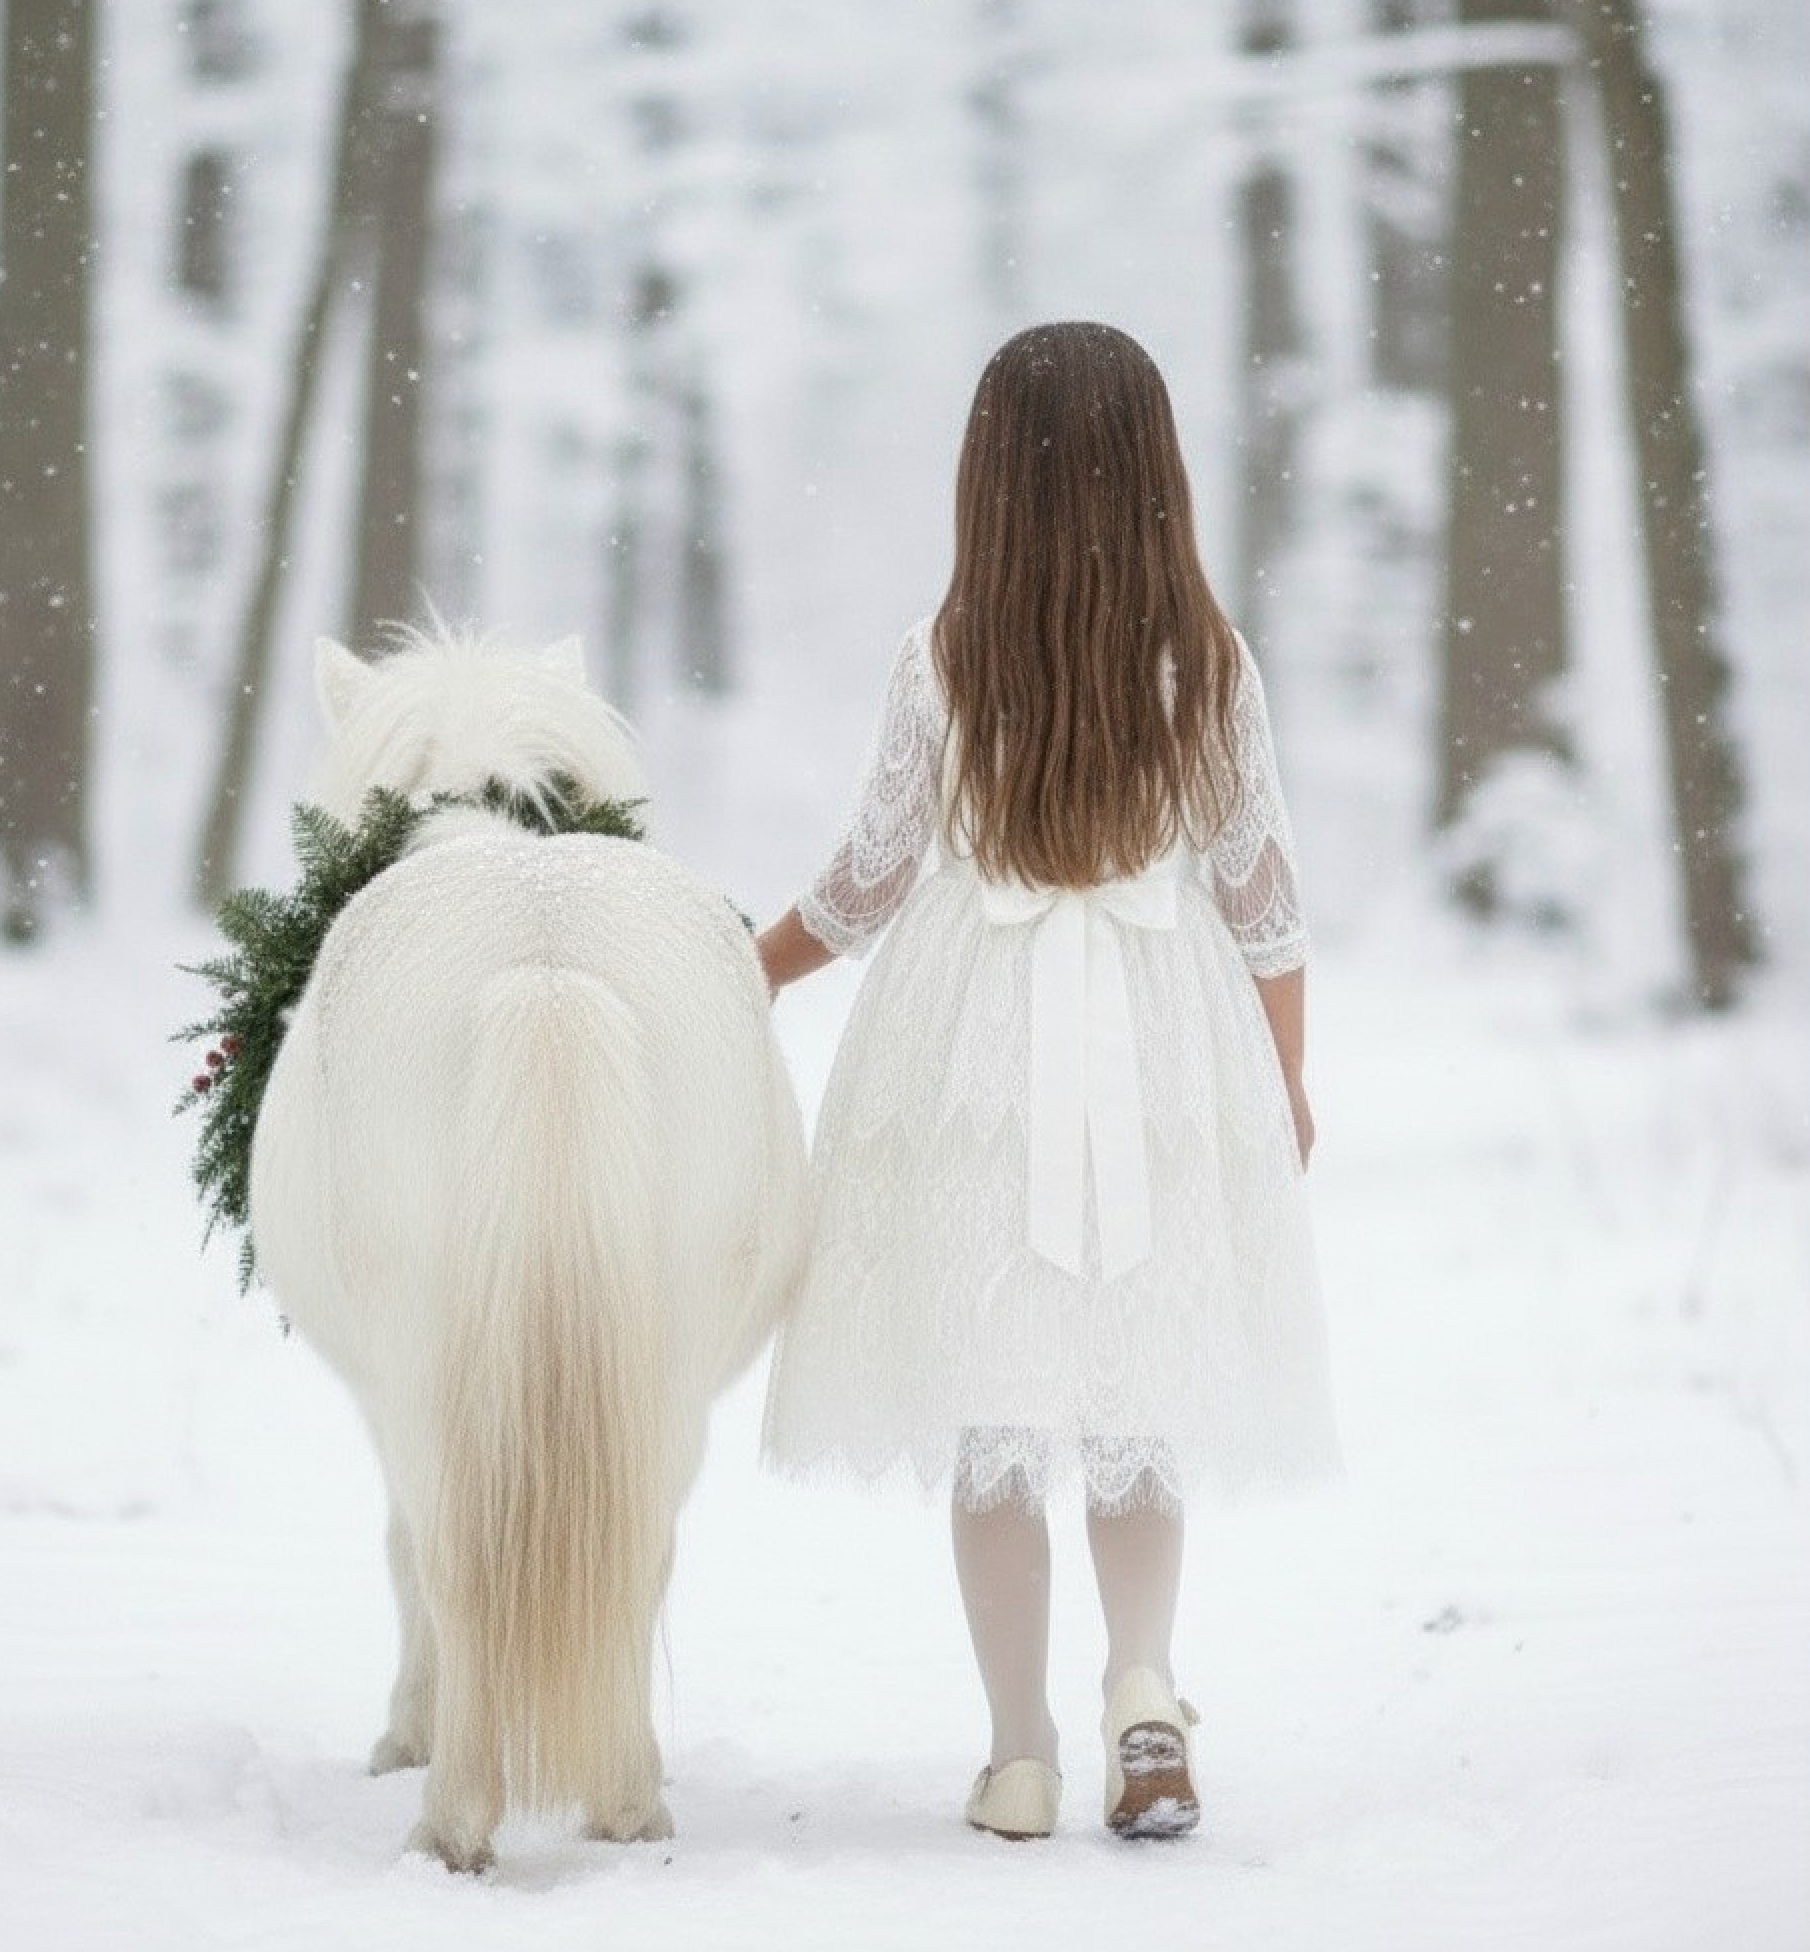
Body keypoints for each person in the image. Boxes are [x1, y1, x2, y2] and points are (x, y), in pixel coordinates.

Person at [754, 321, 1339, 1843]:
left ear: (989, 479)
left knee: (994, 1413)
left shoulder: (944, 658)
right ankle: (1143, 1682)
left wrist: (736, 972)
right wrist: (1283, 1080)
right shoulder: (1204, 663)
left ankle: (1019, 1759)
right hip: (1161, 1046)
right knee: (1136, 1398)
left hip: (970, 1059)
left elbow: (868, 885)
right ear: (1157, 475)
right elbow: (1263, 896)